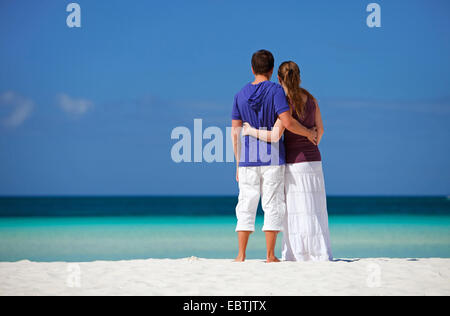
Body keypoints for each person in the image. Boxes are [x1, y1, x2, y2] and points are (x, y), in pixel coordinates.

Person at [231, 50, 317, 262]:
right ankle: (270, 255)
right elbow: (286, 121)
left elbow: (235, 133)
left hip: (248, 159)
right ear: (271, 70)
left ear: (252, 69)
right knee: (272, 205)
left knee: (246, 204)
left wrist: (237, 163)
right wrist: (308, 132)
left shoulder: (239, 95)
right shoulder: (277, 91)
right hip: (272, 158)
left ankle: (241, 254)